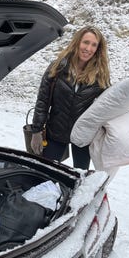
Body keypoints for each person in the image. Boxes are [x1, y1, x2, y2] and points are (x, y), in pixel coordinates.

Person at [30, 26, 111, 169]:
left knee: (79, 179)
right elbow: (42, 101)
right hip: (56, 131)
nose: (88, 48)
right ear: (77, 42)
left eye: (94, 45)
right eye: (86, 42)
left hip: (83, 137)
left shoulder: (100, 75)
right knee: (45, 174)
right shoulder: (57, 67)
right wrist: (36, 131)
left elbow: (107, 105)